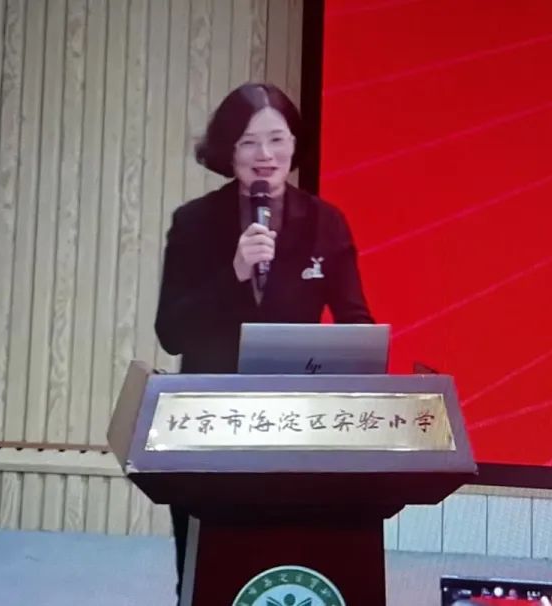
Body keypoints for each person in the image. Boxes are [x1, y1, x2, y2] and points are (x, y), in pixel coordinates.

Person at [154, 82, 374, 601]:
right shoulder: (194, 222)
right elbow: (171, 333)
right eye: (249, 142)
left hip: (295, 420)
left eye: (277, 139)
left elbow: (355, 320)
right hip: (211, 420)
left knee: (288, 554)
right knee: (207, 571)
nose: (265, 155)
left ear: (295, 146)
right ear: (228, 151)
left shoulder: (325, 223)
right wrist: (233, 273)